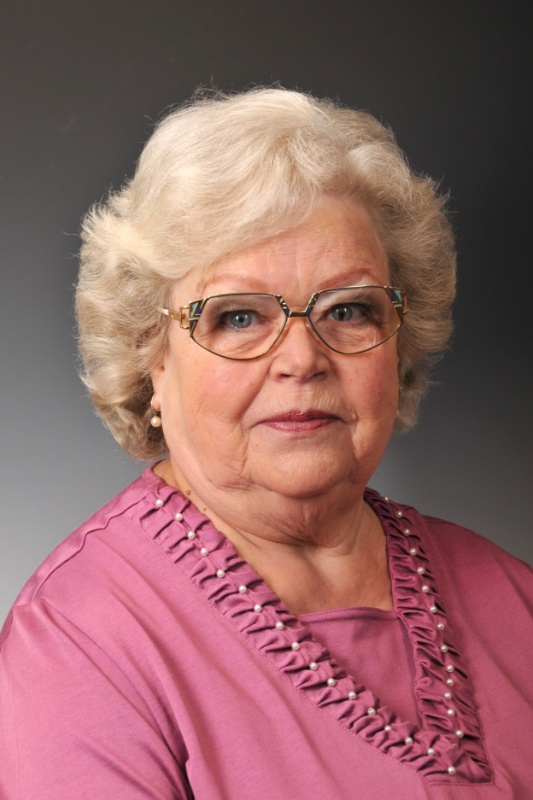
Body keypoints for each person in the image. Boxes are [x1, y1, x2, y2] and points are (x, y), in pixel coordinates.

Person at [0, 88, 531, 800]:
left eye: (348, 309)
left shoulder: (511, 595)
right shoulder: (80, 642)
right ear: (151, 358)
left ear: (398, 344)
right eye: (238, 317)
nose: (302, 359)